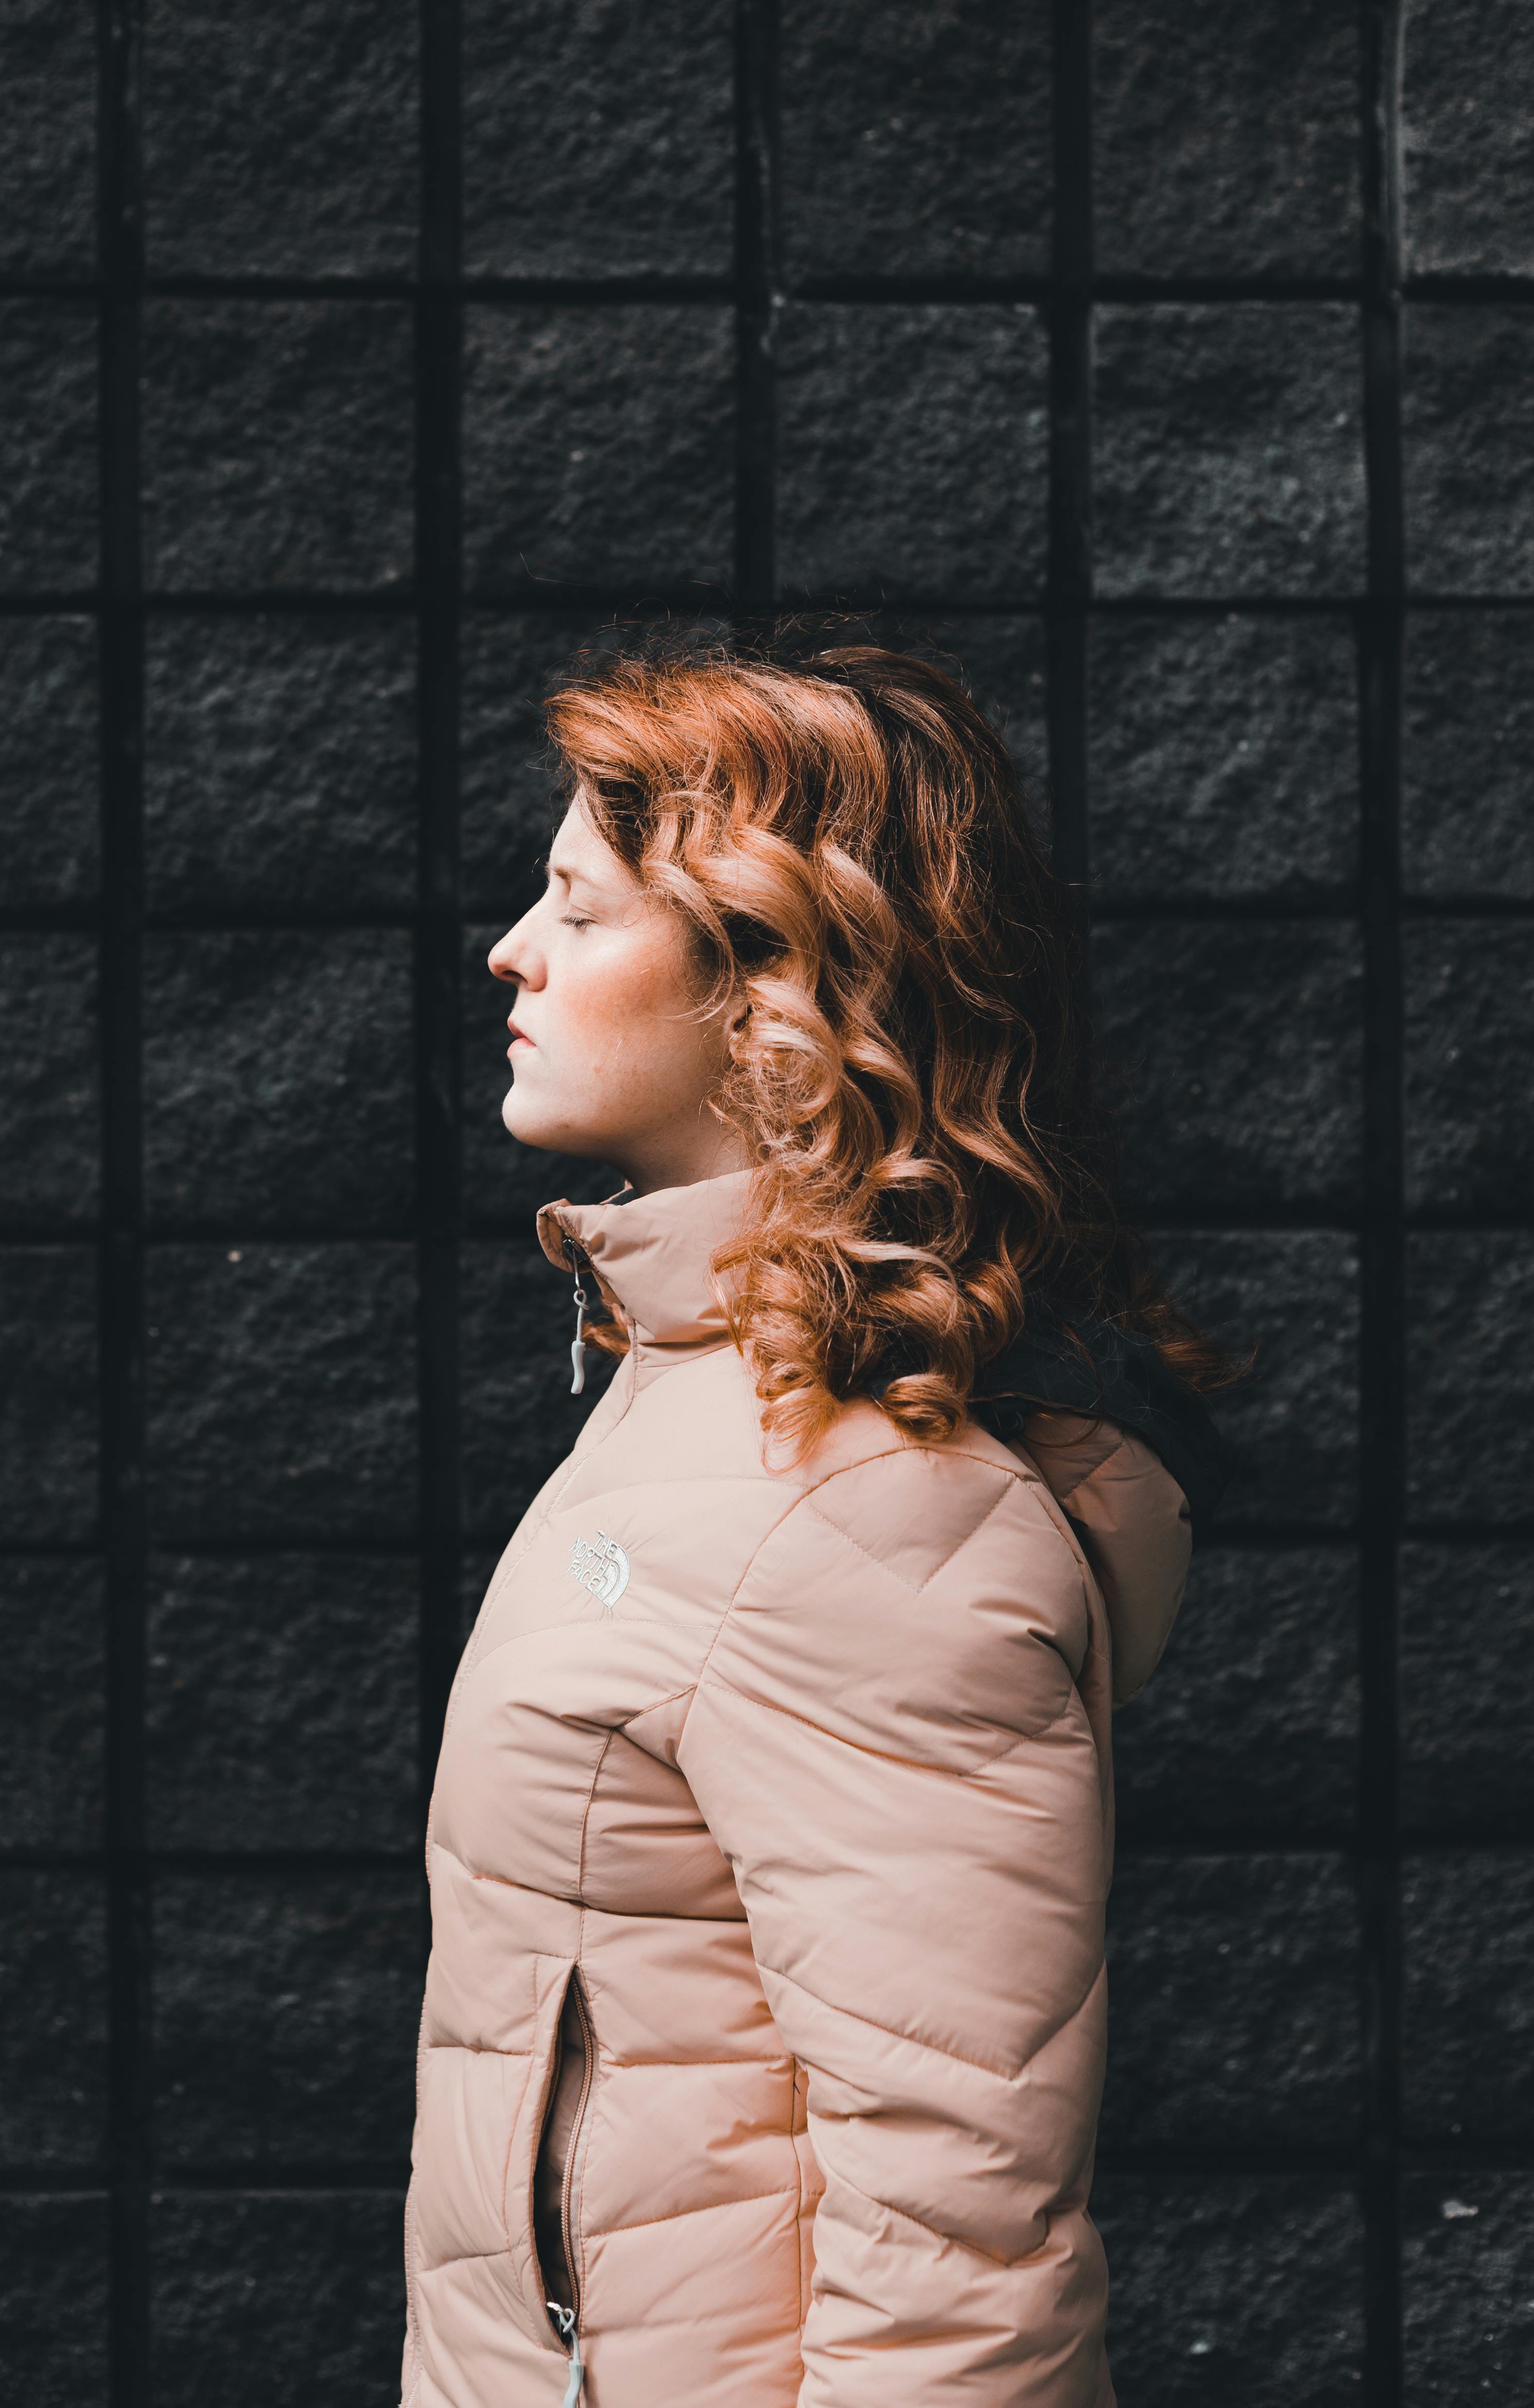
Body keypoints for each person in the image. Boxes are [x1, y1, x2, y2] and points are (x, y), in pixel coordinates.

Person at [399, 644, 1233, 2408]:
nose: (510, 951)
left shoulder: (861, 1509)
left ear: (772, 978)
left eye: (577, 905)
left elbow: (961, 2243)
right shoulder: (693, 1403)